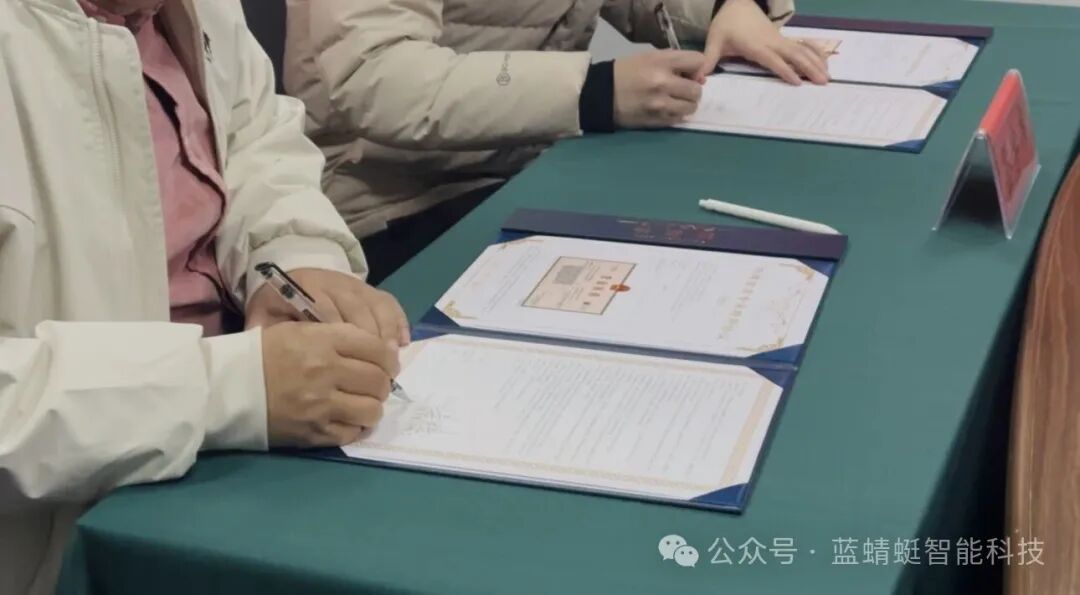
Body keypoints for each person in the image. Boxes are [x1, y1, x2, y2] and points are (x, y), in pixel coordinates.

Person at [0, 0, 410, 592]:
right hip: (65, 540)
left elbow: (255, 141)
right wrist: (226, 389)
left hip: (216, 450)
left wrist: (296, 257)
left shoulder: (186, 12)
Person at [283, 0, 828, 282]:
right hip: (391, 204)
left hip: (531, 164)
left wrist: (726, 7)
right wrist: (592, 91)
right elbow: (377, 78)